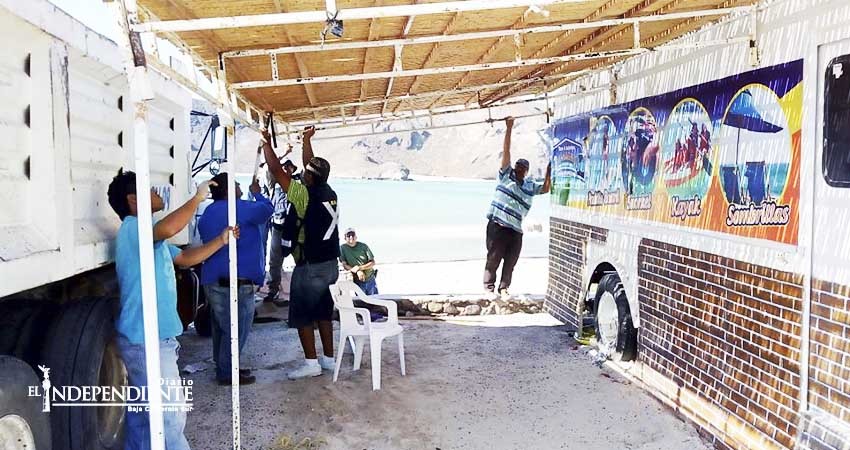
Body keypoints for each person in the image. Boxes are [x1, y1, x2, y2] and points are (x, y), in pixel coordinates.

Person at [108, 169, 237, 450]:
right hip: (147, 339)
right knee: (169, 417)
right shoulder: (133, 227)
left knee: (144, 417)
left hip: (147, 337)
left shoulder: (149, 238)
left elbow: (184, 258)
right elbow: (169, 228)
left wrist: (220, 241)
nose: (158, 193)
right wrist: (197, 197)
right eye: (150, 190)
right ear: (134, 200)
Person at [261, 126, 340, 380]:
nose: (302, 173)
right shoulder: (329, 192)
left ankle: (310, 363)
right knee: (324, 311)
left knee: (303, 314)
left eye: (306, 173)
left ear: (309, 178)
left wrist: (266, 144)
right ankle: (328, 358)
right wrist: (306, 141)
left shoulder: (303, 195)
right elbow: (311, 165)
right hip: (330, 265)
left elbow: (275, 171)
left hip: (311, 266)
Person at [198, 172, 274, 386]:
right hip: (236, 283)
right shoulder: (239, 208)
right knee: (236, 329)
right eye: (236, 184)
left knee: (222, 327)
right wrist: (258, 194)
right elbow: (268, 210)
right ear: (229, 190)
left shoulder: (207, 212)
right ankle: (226, 372)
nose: (240, 186)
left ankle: (224, 366)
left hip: (213, 279)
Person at [483, 116, 551, 301]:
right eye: (518, 166)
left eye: (523, 167)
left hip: (515, 229)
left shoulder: (529, 186)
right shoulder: (506, 176)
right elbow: (506, 150)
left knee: (511, 261)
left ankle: (504, 288)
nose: (520, 168)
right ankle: (489, 288)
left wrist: (550, 168)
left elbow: (546, 187)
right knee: (494, 258)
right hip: (497, 225)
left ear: (527, 171)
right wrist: (509, 128)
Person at [264, 159, 299, 305]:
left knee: (300, 259)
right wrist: (284, 153)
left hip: (295, 229)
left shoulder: (298, 184)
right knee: (275, 261)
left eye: (289, 167)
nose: (286, 169)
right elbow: (268, 167)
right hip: (278, 228)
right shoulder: (274, 184)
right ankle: (273, 290)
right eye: (284, 167)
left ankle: (300, 290)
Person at [339, 228, 378, 295]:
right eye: (348, 235)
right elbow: (345, 265)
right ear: (345, 238)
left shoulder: (363, 246)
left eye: (352, 235)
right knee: (362, 303)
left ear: (356, 236)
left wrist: (360, 268)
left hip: (370, 279)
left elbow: (372, 262)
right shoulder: (342, 248)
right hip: (358, 281)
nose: (351, 237)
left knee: (375, 302)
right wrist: (357, 271)